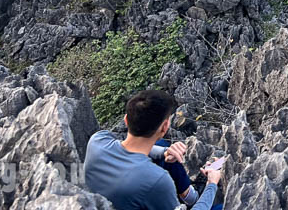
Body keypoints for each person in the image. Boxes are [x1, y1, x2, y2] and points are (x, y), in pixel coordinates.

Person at [84, 89, 222, 210]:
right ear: (164, 127)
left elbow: (122, 145)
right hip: (142, 191)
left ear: (126, 120)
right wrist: (211, 184)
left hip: (112, 199)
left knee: (162, 147)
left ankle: (191, 196)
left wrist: (164, 152)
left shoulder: (97, 140)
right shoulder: (158, 180)